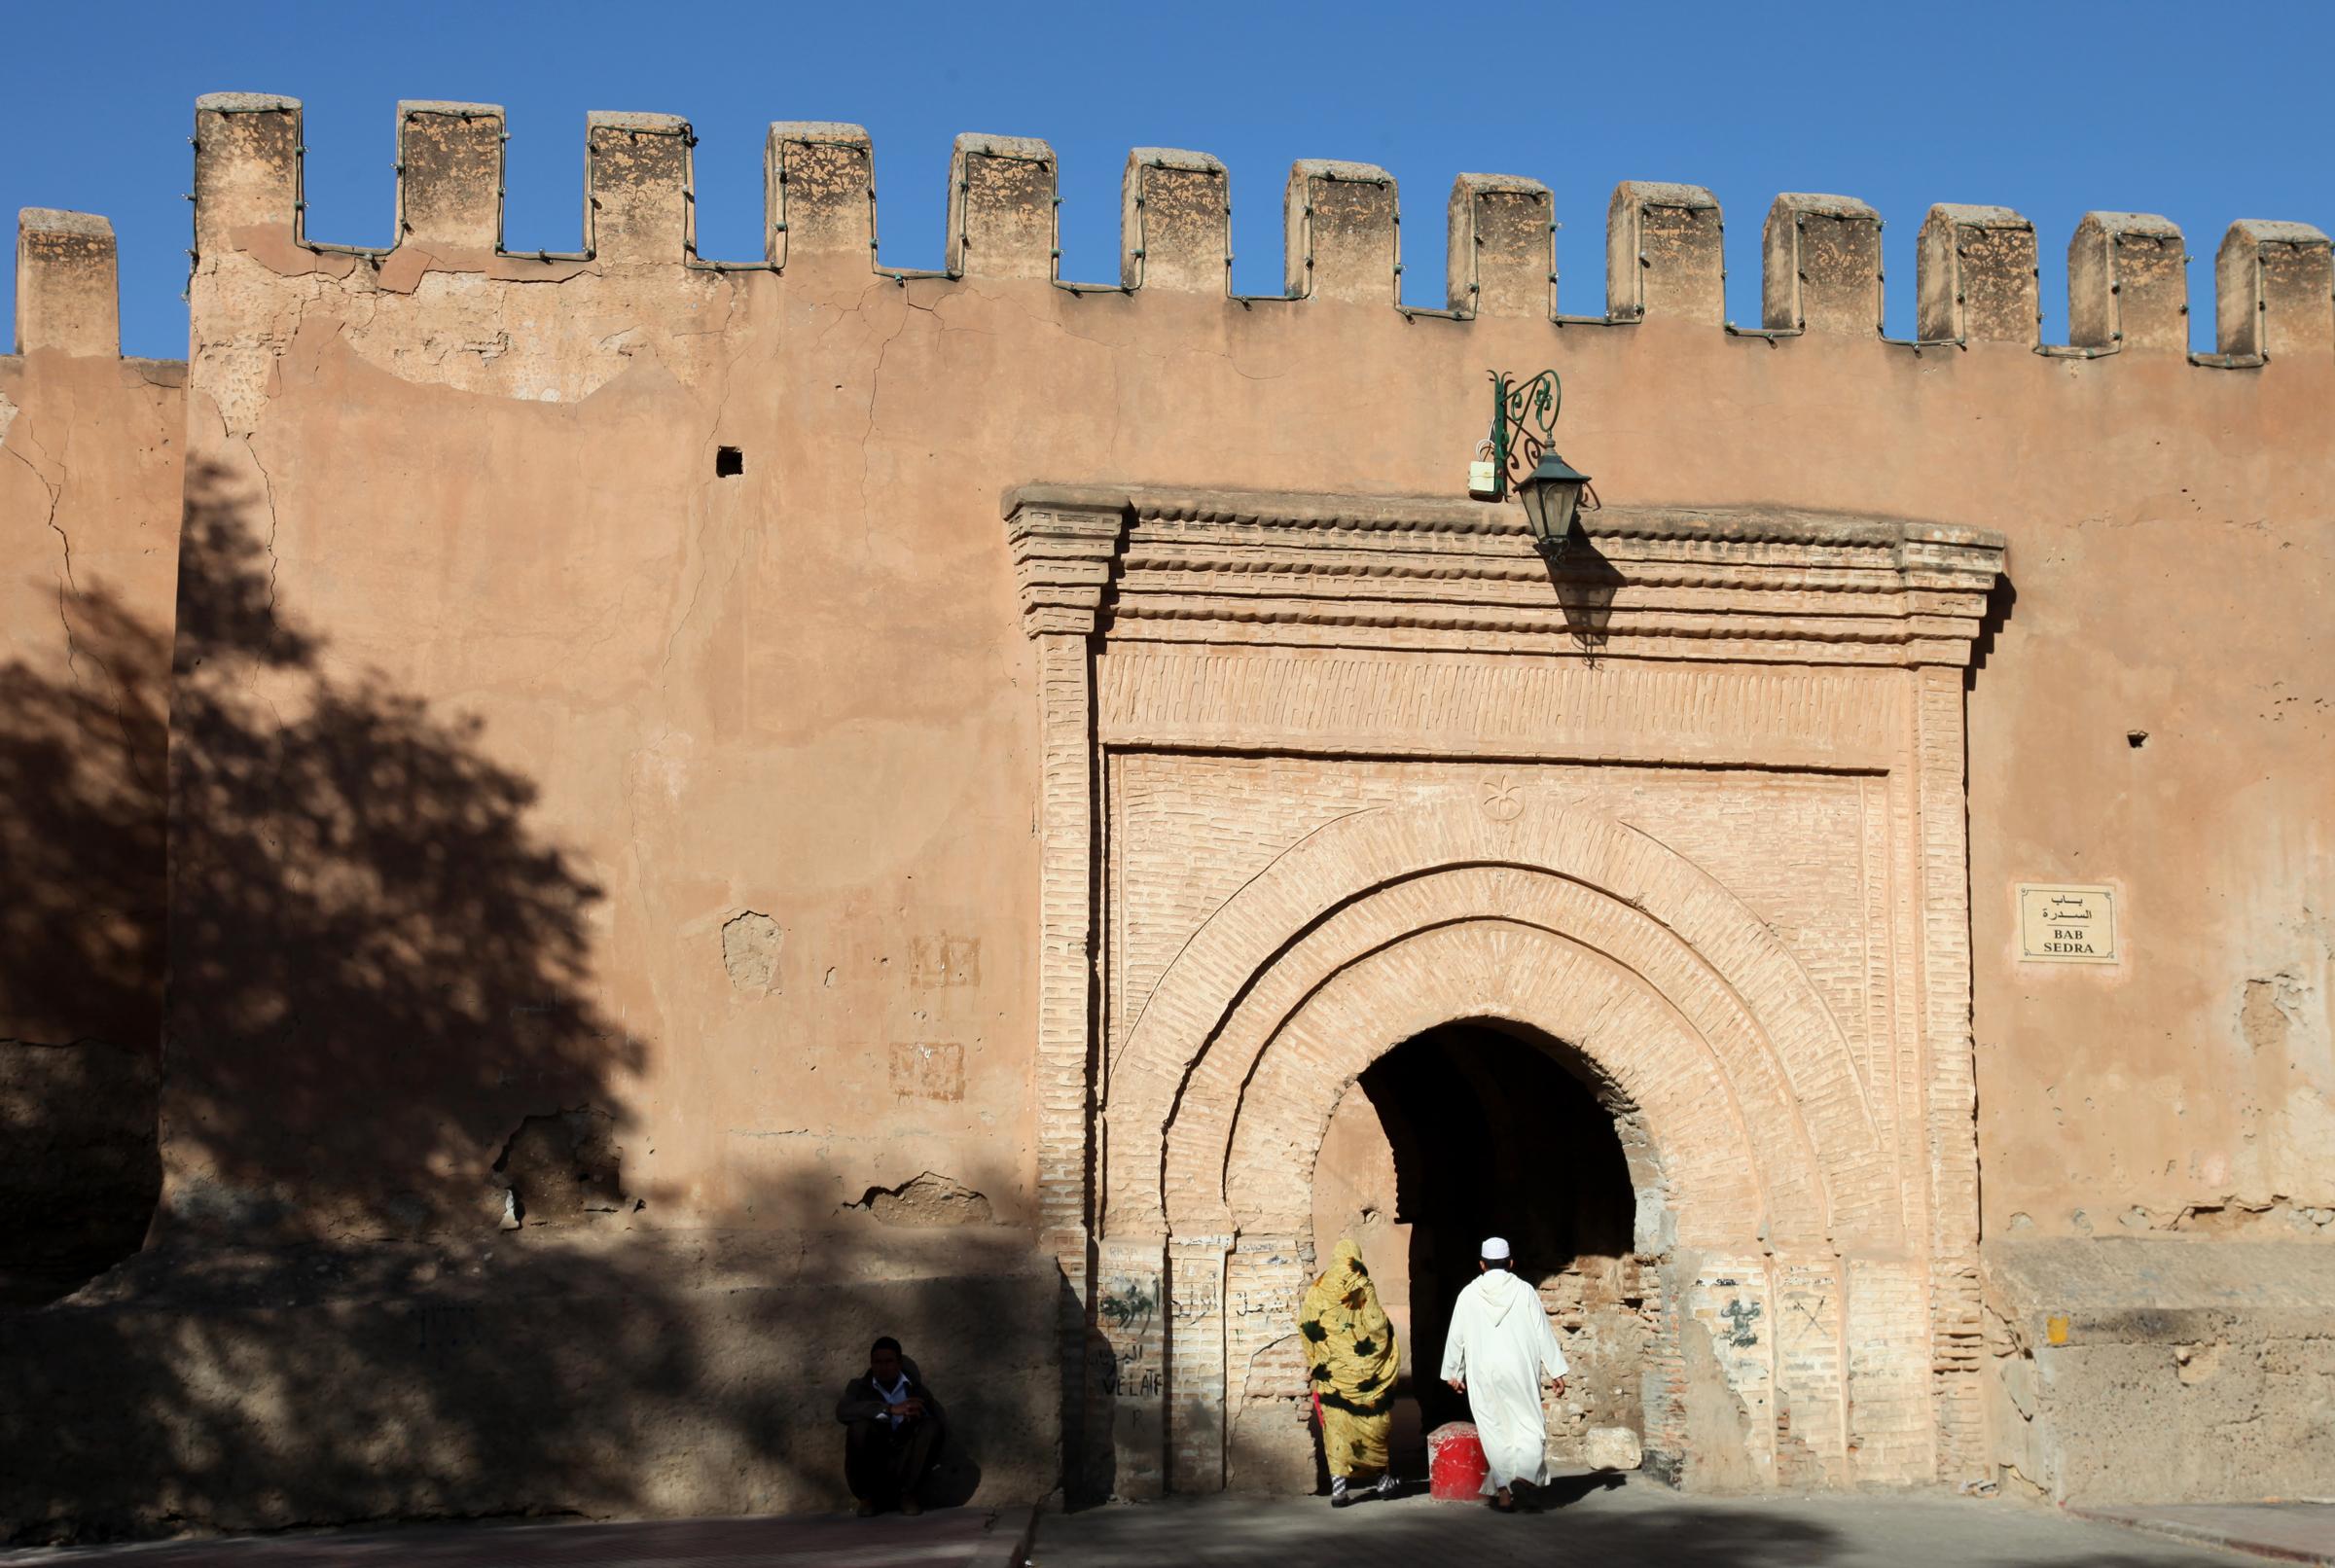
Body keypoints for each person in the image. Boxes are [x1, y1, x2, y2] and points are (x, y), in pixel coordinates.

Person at [1440, 1236, 1568, 1512]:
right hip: (1519, 1369)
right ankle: (1522, 1478)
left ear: (1482, 1264)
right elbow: (1542, 1331)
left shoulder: (1468, 1294)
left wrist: (1453, 1371)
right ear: (1511, 1263)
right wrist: (1556, 1369)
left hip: (1482, 1372)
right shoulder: (1524, 1291)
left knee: (1494, 1431)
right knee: (1530, 1426)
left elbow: (1456, 1336)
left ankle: (1505, 1495)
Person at [1298, 1237, 1402, 1507]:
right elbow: (1376, 1322)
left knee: (1337, 1429)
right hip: (1365, 1375)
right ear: (1355, 1258)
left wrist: (1322, 1355)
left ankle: (1339, 1490)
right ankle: (1383, 1483)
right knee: (1372, 1424)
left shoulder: (1318, 1288)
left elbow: (1307, 1323)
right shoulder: (1360, 1283)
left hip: (1332, 1373)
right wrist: (1386, 1337)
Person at [836, 1336, 947, 1516]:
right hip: (876, 1460)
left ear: (899, 1363)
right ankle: (868, 1498)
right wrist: (888, 1409)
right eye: (877, 1362)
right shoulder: (859, 1387)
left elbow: (938, 1427)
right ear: (871, 1364)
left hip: (906, 1461)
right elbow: (843, 1411)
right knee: (858, 1428)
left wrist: (917, 1415)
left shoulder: (915, 1389)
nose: (883, 1367)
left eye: (889, 1361)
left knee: (931, 1427)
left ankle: (907, 1495)